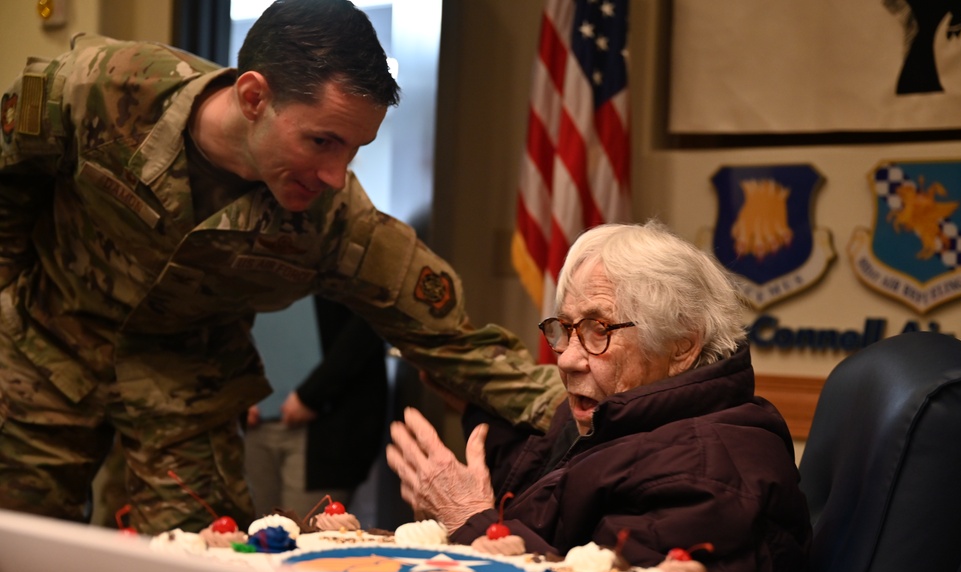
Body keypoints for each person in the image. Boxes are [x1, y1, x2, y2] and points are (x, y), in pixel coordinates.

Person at [0, 0, 563, 534]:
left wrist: (602, 407)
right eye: (322, 140)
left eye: (354, 149)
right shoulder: (98, 88)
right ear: (253, 97)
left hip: (185, 392)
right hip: (42, 351)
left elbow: (455, 344)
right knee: (16, 549)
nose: (337, 174)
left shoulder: (336, 221)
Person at [386, 220, 812, 572]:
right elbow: (543, 477)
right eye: (565, 329)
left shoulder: (703, 476)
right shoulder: (622, 416)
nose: (568, 360)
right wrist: (474, 404)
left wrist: (470, 519)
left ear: (681, 346)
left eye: (598, 330)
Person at [244, 298, 387, 517]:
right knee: (256, 535)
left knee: (310, 538)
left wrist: (312, 394)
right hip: (250, 422)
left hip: (328, 426)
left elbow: (369, 320)